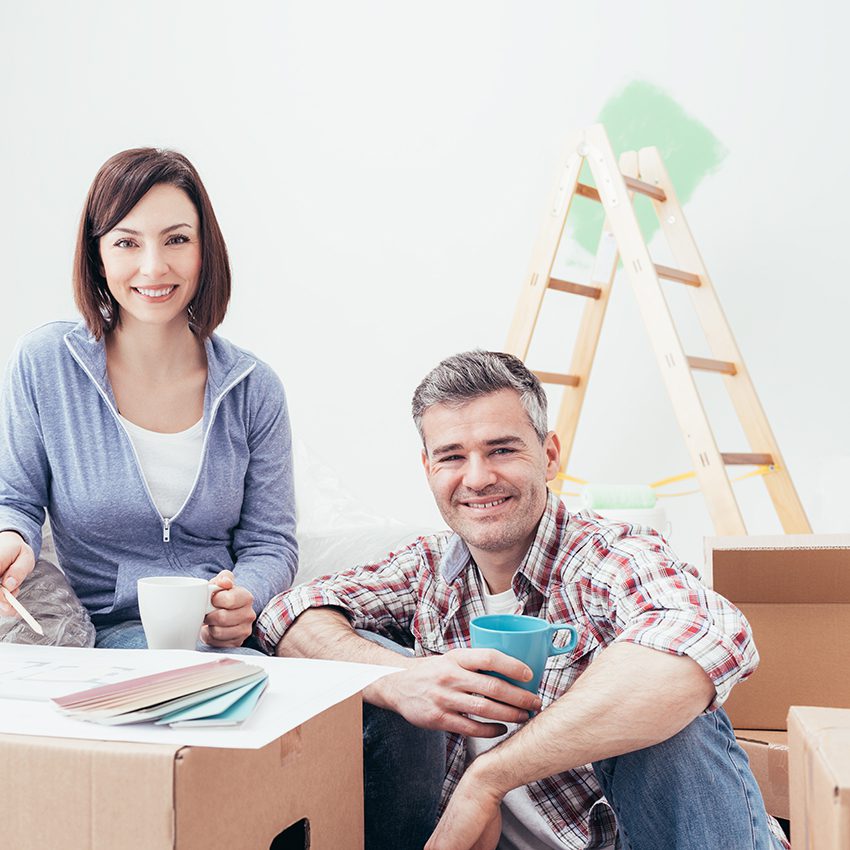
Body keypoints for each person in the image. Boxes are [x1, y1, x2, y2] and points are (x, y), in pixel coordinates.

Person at [256, 350, 788, 850]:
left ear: (549, 455)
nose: (478, 477)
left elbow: (704, 633)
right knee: (367, 658)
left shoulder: (604, 555)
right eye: (452, 457)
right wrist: (398, 680)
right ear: (428, 470)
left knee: (672, 709)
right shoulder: (427, 568)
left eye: (502, 450)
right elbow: (290, 613)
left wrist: (487, 778)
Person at [0, 148, 297, 652]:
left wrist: (243, 596)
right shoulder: (47, 363)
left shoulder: (253, 387)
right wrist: (11, 541)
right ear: (98, 255)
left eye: (177, 239)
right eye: (126, 243)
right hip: (111, 634)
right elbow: (14, 501)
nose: (153, 267)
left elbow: (270, 542)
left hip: (226, 637)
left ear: (206, 250)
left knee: (385, 689)